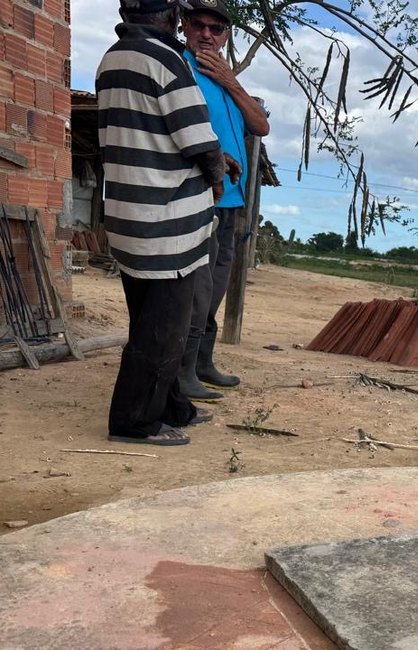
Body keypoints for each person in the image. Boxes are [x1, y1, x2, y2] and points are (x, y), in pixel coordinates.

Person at [98, 0, 227, 445]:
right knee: (162, 330)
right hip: (166, 221)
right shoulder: (165, 58)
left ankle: (173, 407)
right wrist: (216, 176)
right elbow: (196, 138)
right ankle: (135, 423)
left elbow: (149, 132)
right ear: (172, 16)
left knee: (153, 320)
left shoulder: (113, 58)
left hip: (131, 214)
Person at [175, 0, 270, 401]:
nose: (207, 34)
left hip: (231, 203)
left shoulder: (226, 79)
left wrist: (231, 81)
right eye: (199, 25)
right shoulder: (178, 67)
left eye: (217, 28)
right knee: (195, 291)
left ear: (227, 34)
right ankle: (181, 373)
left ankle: (202, 362)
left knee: (214, 289)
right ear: (185, 26)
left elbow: (260, 125)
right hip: (198, 197)